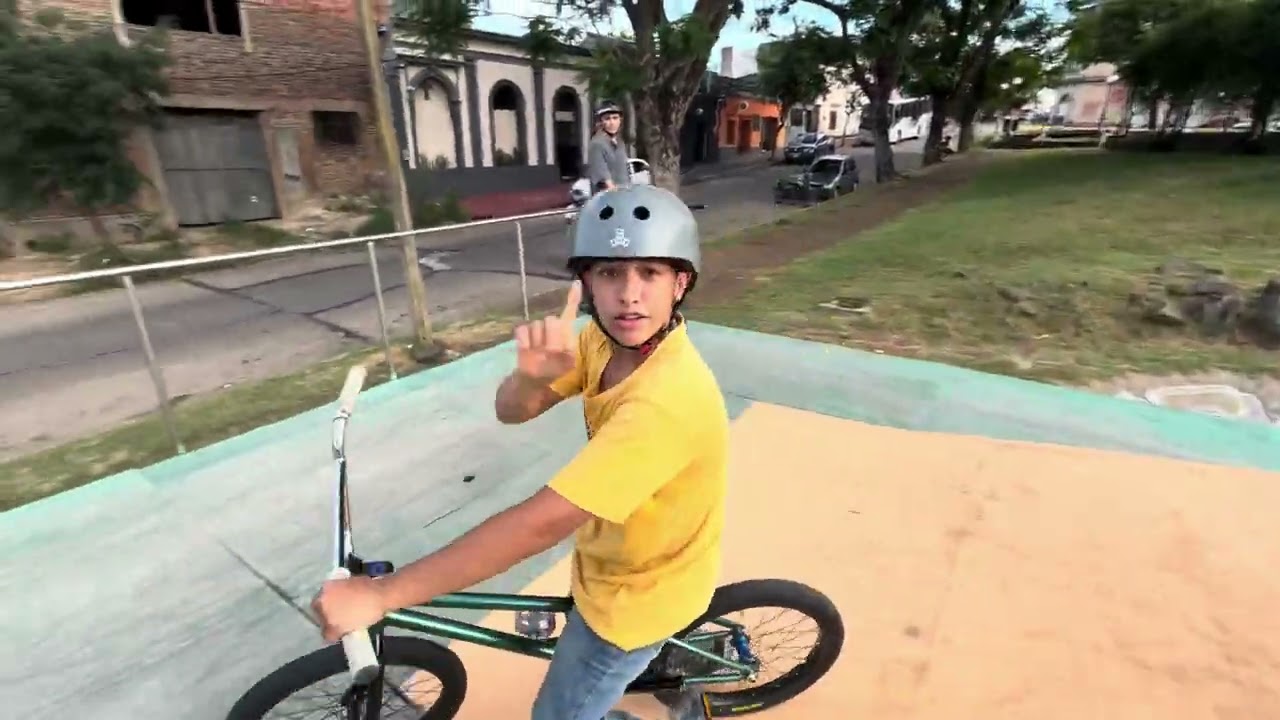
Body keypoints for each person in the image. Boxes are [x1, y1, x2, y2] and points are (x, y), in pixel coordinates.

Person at [312, 184, 730, 720]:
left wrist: (382, 594)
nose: (629, 294)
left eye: (649, 273)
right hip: (612, 556)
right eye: (610, 273)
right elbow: (512, 410)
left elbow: (542, 523)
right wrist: (531, 379)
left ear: (680, 283)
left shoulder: (670, 400)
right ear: (587, 283)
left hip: (639, 597)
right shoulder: (600, 341)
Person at [587, 101, 632, 192]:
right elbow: (602, 173)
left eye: (615, 118)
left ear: (620, 120)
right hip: (607, 195)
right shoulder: (597, 143)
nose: (612, 122)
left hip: (624, 192)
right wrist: (612, 190)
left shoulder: (620, 142)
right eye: (607, 119)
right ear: (601, 122)